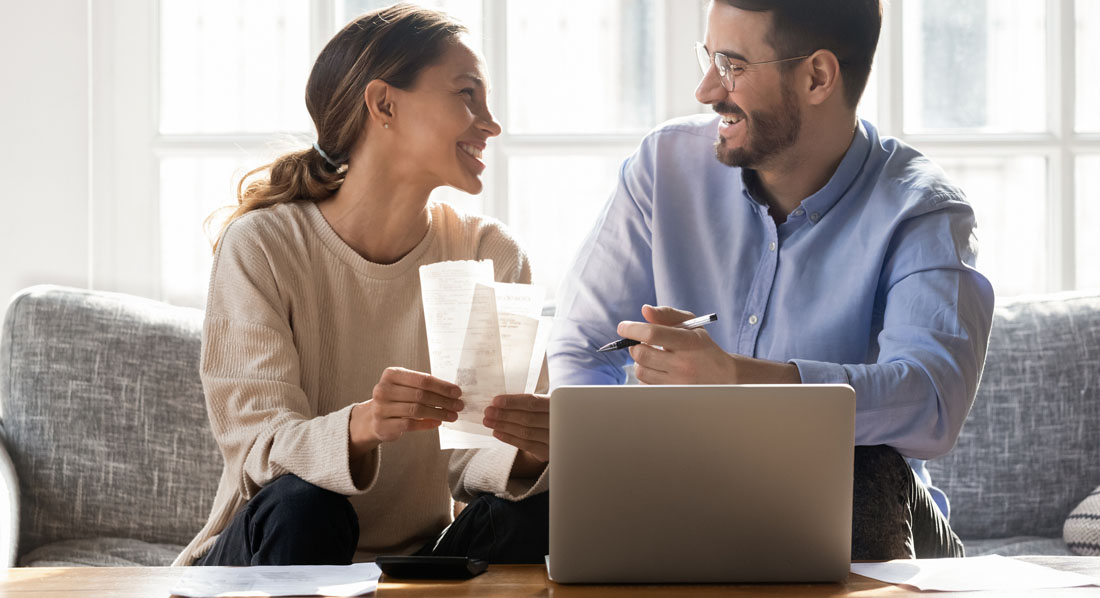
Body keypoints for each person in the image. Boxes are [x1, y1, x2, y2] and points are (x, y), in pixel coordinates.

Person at [538, 0, 996, 559]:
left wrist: (737, 380)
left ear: (817, 76)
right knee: (510, 519)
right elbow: (584, 347)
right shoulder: (664, 166)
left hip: (874, 522)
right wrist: (619, 458)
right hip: (689, 497)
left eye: (731, 65)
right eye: (708, 58)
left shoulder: (921, 210)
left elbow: (931, 403)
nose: (706, 90)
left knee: (867, 469)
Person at [173, 3, 548, 567]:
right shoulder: (263, 245)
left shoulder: (489, 254)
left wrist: (530, 453)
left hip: (414, 563)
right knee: (307, 505)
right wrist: (364, 424)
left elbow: (478, 463)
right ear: (384, 103)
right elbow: (257, 451)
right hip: (269, 552)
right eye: (467, 94)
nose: (490, 123)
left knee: (539, 508)